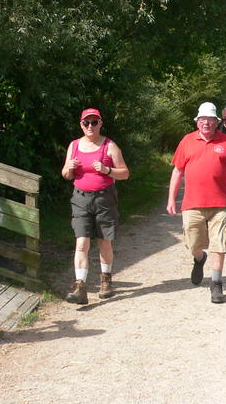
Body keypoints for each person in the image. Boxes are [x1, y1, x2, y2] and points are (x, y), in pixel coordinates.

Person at [166, 102, 226, 304]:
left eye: (210, 120)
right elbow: (177, 171)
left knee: (220, 244)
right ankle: (199, 258)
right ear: (197, 122)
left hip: (220, 203)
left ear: (216, 122)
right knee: (193, 243)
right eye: (202, 120)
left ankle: (216, 284)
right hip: (192, 204)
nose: (206, 123)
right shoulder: (186, 141)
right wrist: (171, 199)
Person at [61, 108, 129, 305]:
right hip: (80, 199)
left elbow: (124, 173)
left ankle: (106, 280)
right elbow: (66, 174)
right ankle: (80, 286)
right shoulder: (74, 146)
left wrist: (107, 170)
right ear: (81, 125)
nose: (90, 126)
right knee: (81, 242)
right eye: (86, 123)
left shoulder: (109, 145)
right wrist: (70, 168)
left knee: (104, 241)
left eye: (94, 122)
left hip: (104, 199)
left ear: (100, 124)